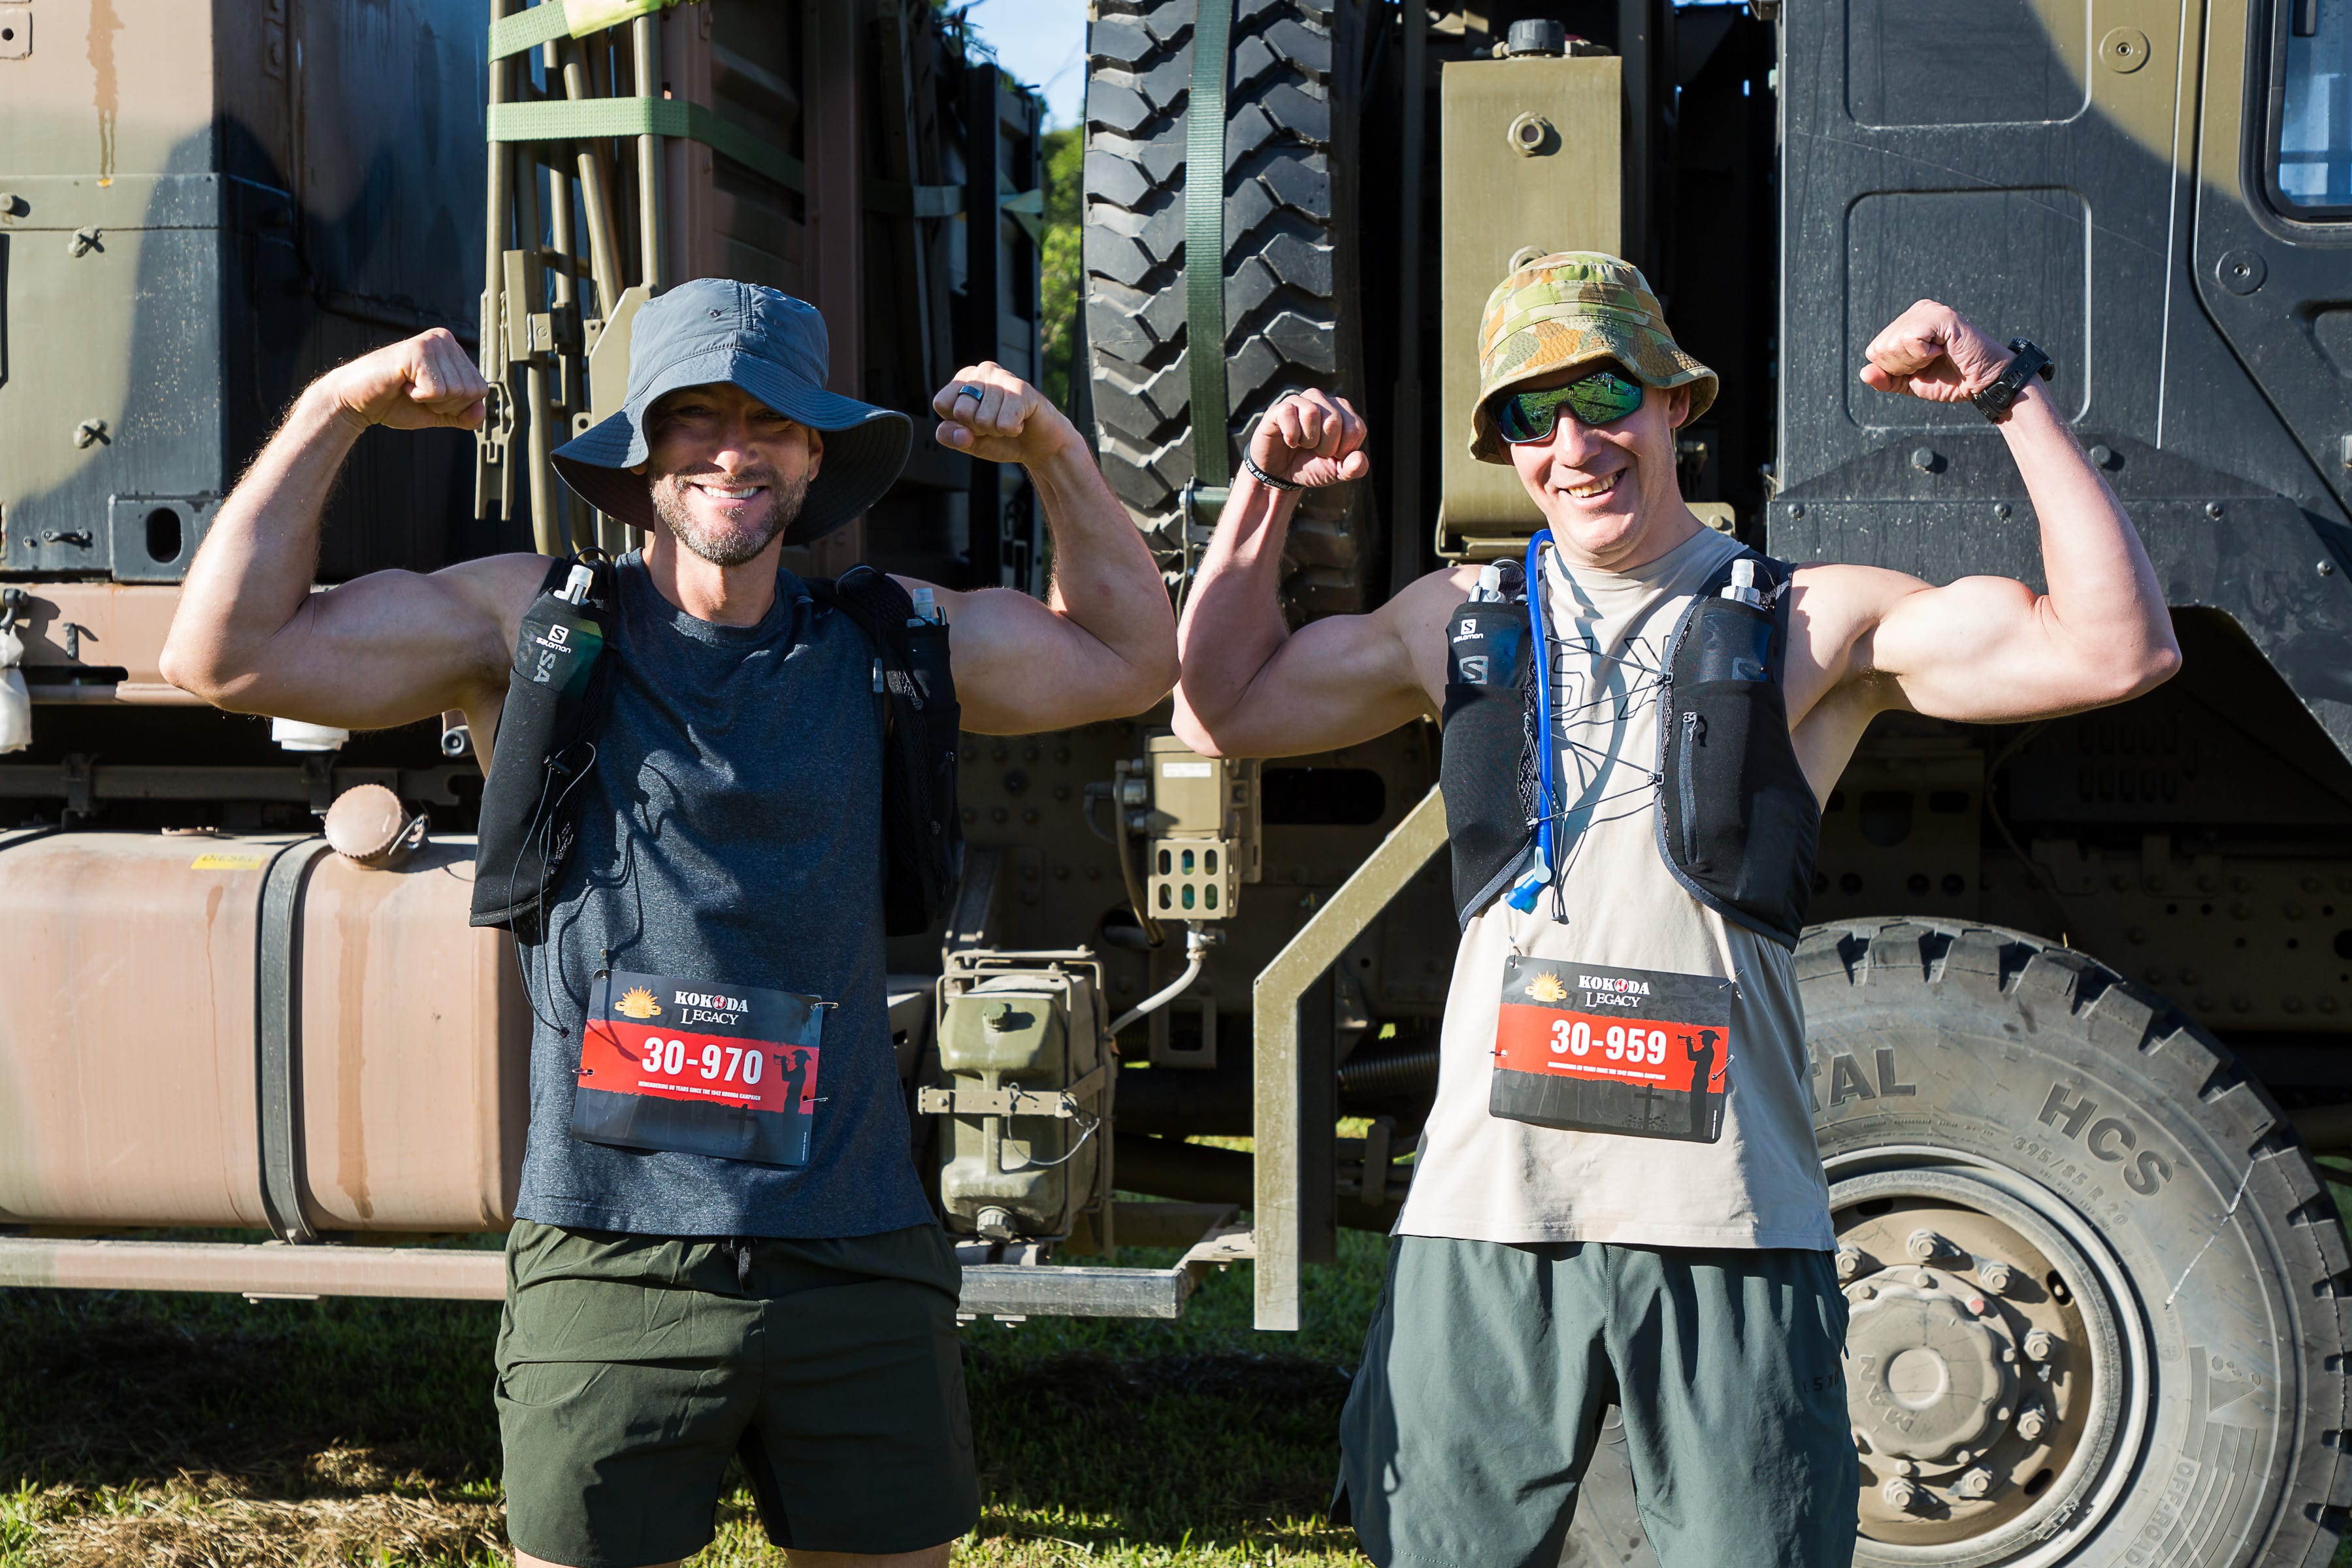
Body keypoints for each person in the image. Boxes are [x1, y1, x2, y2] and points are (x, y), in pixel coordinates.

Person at [1171, 252, 2179, 1568]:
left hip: (1726, 1221)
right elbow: (1220, 706)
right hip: (1489, 1217)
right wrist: (1264, 489)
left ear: (1675, 406)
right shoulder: (1458, 620)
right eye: (1532, 417)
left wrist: (2003, 390)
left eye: (1604, 396)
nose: (1574, 445)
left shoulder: (1810, 619)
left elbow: (2118, 647)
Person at [160, 278, 1177, 1568]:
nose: (734, 449)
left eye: (773, 422)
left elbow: (1132, 661)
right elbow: (223, 654)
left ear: (816, 459)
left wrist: (1055, 450)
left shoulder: (891, 637)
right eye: (695, 415)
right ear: (640, 450)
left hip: (854, 1248)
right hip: (608, 1253)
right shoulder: (529, 625)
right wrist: (341, 405)